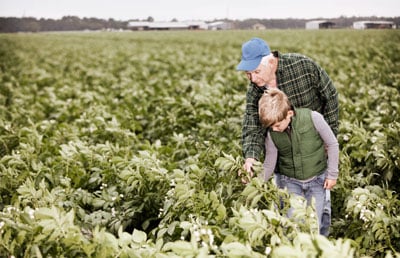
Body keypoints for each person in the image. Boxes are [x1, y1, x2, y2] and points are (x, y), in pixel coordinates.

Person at [236, 37, 339, 236]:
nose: (253, 79)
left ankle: (321, 245)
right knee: (291, 215)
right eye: (248, 74)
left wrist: (329, 136)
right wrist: (251, 158)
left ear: (272, 63)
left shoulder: (303, 67)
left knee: (320, 211)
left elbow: (331, 96)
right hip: (286, 163)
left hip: (313, 154)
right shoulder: (255, 90)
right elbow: (252, 126)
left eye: (256, 72)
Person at [258, 88, 339, 235]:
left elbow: (332, 144)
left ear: (289, 114)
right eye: (271, 127)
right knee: (293, 224)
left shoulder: (313, 118)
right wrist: (257, 182)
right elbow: (269, 163)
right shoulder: (272, 135)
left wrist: (332, 175)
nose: (274, 130)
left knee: (314, 223)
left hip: (317, 180)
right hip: (290, 182)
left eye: (277, 125)